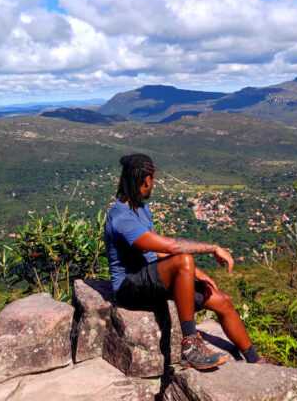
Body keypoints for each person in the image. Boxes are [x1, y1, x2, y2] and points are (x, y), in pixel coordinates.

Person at [104, 153, 263, 370]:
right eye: (153, 181)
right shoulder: (121, 217)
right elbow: (171, 247)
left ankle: (256, 360)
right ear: (147, 180)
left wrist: (195, 274)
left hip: (152, 277)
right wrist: (213, 248)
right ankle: (190, 347)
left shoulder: (140, 208)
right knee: (183, 260)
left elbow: (158, 252)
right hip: (129, 288)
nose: (153, 185)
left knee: (222, 300)